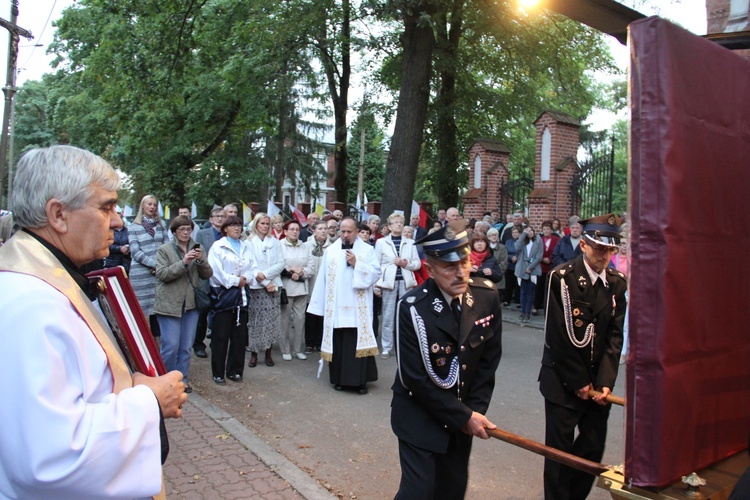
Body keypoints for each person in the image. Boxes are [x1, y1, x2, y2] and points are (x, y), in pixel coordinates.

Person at [0, 145, 187, 498]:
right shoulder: (32, 304)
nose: (117, 221)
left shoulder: (49, 280)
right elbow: (50, 457)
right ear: (58, 214)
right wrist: (150, 400)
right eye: (106, 207)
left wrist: (126, 380)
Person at [390, 219, 503, 499]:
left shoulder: (486, 296)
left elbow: (487, 363)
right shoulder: (413, 308)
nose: (461, 273)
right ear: (430, 269)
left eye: (464, 262)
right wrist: (464, 416)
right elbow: (414, 377)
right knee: (418, 492)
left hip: (461, 419)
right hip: (419, 416)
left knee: (451, 491)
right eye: (450, 267)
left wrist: (474, 411)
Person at [539, 213, 627, 500]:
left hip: (596, 384)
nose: (606, 255)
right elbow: (558, 337)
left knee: (591, 450)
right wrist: (578, 381)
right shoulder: (562, 277)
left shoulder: (616, 282)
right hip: (563, 382)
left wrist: (605, 383)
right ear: (585, 245)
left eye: (610, 249)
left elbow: (614, 336)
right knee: (558, 454)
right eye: (600, 248)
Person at [308, 217, 381, 394]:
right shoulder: (332, 251)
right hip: (337, 307)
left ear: (357, 231)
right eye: (343, 231)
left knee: (356, 342)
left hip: (358, 308)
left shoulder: (368, 250)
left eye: (349, 231)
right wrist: (318, 305)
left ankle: (360, 382)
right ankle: (339, 379)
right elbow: (322, 279)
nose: (345, 235)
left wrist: (357, 264)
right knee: (339, 344)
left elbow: (376, 273)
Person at [154, 215, 213, 393]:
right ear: (174, 231)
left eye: (188, 229)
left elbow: (207, 274)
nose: (186, 232)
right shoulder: (164, 250)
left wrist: (200, 261)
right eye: (182, 229)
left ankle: (182, 381)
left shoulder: (198, 247)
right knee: (170, 346)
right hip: (169, 304)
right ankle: (165, 381)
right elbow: (162, 274)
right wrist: (184, 262)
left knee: (186, 347)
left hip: (191, 305)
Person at [207, 216, 259, 384]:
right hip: (225, 296)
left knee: (239, 337)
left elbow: (253, 267)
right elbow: (215, 271)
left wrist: (246, 278)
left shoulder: (245, 246)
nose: (237, 228)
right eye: (233, 225)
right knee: (221, 337)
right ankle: (218, 372)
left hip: (242, 297)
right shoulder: (218, 246)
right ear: (225, 229)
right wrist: (235, 281)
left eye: (238, 225)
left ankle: (235, 370)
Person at [374, 212, 421, 359]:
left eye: (401, 222)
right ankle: (387, 347)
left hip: (406, 283)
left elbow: (417, 264)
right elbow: (376, 265)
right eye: (395, 222)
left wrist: (405, 263)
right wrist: (377, 285)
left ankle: (404, 346)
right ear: (389, 226)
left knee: (405, 315)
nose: (399, 224)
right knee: (388, 315)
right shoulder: (381, 243)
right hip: (389, 283)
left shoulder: (410, 242)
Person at [129, 194, 169, 345]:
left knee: (157, 312)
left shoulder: (161, 225)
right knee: (141, 312)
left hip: (159, 273)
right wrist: (154, 264)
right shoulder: (134, 227)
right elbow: (135, 251)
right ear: (143, 206)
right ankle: (142, 345)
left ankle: (158, 346)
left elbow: (167, 245)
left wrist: (161, 265)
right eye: (149, 204)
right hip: (142, 275)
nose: (152, 207)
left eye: (154, 204)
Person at [246, 212, 284, 368]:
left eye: (268, 224)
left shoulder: (275, 242)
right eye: (262, 223)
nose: (265, 226)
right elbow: (250, 264)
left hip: (273, 285)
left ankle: (268, 353)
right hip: (257, 286)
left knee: (270, 321)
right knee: (256, 321)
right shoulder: (248, 243)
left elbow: (281, 263)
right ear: (256, 224)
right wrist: (264, 281)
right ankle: (254, 353)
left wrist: (267, 277)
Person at [192, 207, 226, 358]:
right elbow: (197, 255)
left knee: (220, 316)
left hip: (223, 282)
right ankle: (198, 344)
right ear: (210, 219)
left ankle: (217, 344)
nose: (220, 219)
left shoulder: (228, 235)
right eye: (217, 216)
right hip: (205, 280)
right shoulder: (201, 234)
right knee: (202, 316)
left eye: (222, 216)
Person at [279, 219, 314, 360]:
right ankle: (285, 349)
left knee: (300, 321)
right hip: (286, 288)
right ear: (285, 231)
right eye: (291, 229)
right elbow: (278, 265)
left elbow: (311, 268)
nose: (295, 232)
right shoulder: (279, 246)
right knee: (284, 320)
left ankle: (297, 349)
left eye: (297, 229)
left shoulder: (305, 247)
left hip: (302, 288)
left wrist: (301, 272)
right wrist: (290, 271)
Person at [304, 220, 331, 354]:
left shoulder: (331, 247)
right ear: (314, 230)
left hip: (325, 286)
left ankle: (320, 342)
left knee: (322, 317)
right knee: (310, 316)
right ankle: (309, 342)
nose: (323, 231)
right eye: (320, 228)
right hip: (310, 283)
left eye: (325, 228)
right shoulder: (307, 246)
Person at [515, 226, 543, 323]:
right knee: (523, 292)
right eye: (527, 231)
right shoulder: (523, 241)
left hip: (533, 269)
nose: (530, 232)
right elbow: (516, 247)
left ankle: (528, 312)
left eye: (531, 230)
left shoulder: (538, 240)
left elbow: (539, 257)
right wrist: (523, 235)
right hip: (522, 267)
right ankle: (522, 311)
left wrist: (530, 267)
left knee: (530, 292)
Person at [534, 221, 561, 315]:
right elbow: (535, 252)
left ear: (551, 230)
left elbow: (558, 252)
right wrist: (541, 259)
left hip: (551, 266)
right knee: (539, 287)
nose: (546, 231)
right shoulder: (539, 239)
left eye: (548, 229)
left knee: (550, 288)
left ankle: (548, 308)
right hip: (540, 266)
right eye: (544, 229)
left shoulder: (556, 240)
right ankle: (536, 306)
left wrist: (550, 259)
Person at [104, 206, 131, 272]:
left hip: (126, 264)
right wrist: (119, 248)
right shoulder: (108, 231)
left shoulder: (128, 231)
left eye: (120, 217)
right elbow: (106, 245)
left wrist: (127, 248)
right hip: (112, 264)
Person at [487, 227, 508, 301]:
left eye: (495, 235)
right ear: (488, 237)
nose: (494, 237)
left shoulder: (502, 248)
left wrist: (495, 273)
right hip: (486, 278)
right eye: (492, 235)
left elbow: (504, 263)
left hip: (498, 279)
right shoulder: (485, 247)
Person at [503, 226, 521, 307]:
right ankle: (507, 300)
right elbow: (505, 252)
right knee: (509, 283)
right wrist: (511, 258)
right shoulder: (508, 242)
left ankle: (518, 300)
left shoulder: (522, 242)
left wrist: (517, 257)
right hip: (510, 265)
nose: (514, 234)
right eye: (513, 232)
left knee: (518, 284)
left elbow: (523, 252)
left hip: (519, 265)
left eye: (516, 232)